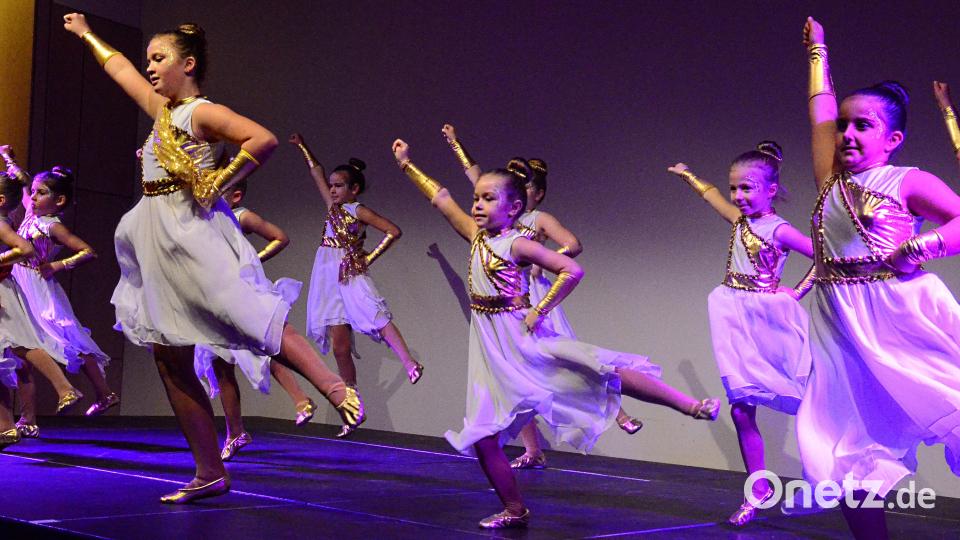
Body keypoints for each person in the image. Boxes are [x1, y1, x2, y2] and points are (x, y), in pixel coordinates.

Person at [63, 13, 363, 503]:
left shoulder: (200, 112)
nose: (149, 67)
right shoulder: (162, 111)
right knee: (169, 357)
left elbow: (262, 140)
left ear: (188, 64)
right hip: (156, 237)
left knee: (248, 312)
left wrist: (218, 183)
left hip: (189, 230)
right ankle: (209, 472)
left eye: (159, 58)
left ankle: (333, 386)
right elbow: (120, 70)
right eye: (148, 59)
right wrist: (86, 34)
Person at [392, 138, 719, 529]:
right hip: (491, 348)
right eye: (476, 198)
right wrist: (406, 165)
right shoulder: (476, 235)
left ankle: (689, 405)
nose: (477, 205)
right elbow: (442, 198)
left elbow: (572, 269)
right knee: (483, 435)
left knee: (599, 370)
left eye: (488, 199)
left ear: (514, 208)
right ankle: (514, 509)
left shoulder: (517, 244)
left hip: (519, 337)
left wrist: (540, 309)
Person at [798, 17, 960, 539]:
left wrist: (922, 247)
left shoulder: (906, 180)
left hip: (898, 312)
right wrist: (818, 52)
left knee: (949, 404)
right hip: (840, 323)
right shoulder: (831, 180)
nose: (846, 133)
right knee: (846, 444)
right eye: (844, 126)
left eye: (862, 126)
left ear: (892, 139)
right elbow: (821, 113)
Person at [667, 141, 814, 526]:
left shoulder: (779, 229)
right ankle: (757, 487)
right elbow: (711, 196)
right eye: (735, 187)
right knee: (740, 406)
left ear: (771, 189)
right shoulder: (739, 221)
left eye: (747, 188)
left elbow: (823, 258)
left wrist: (796, 292)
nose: (738, 195)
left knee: (806, 400)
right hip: (733, 313)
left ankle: (825, 471)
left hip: (768, 318)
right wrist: (688, 176)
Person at [292, 133, 423, 437]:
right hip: (327, 277)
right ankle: (352, 406)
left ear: (354, 189)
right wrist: (303, 146)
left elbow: (393, 231)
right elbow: (316, 173)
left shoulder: (358, 210)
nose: (333, 190)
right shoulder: (333, 208)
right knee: (340, 348)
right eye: (332, 186)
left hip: (349, 273)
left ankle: (409, 362)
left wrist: (367, 258)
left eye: (339, 186)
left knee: (375, 314)